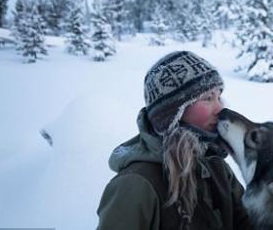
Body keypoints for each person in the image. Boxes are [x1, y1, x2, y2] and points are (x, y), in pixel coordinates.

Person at [97, 51, 252, 230]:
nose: (220, 108)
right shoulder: (135, 185)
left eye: (218, 96)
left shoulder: (214, 164)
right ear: (173, 113)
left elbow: (247, 222)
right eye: (208, 98)